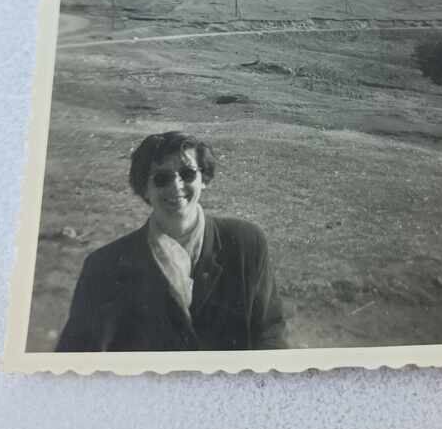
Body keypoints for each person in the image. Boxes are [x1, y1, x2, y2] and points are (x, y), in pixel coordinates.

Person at [56, 131, 287, 351]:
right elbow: (78, 355)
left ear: (203, 178)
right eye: (162, 178)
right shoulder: (104, 266)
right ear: (144, 189)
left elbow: (271, 333)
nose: (176, 186)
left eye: (187, 174)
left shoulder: (246, 243)